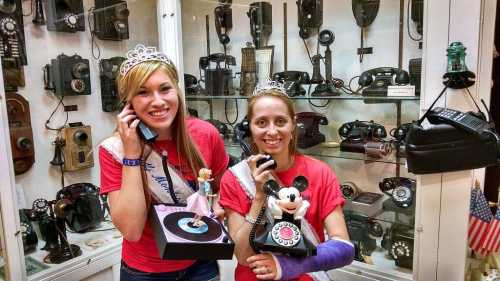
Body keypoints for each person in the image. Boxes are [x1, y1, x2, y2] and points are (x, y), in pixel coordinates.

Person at [99, 44, 228, 281]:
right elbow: (132, 229)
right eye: (143, 92)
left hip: (200, 262)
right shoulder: (113, 150)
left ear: (177, 90)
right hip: (145, 271)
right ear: (128, 104)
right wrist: (132, 154)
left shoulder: (206, 134)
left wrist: (219, 205)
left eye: (165, 89)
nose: (157, 101)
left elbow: (222, 190)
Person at [219, 80, 355, 281]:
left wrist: (286, 265)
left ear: (293, 125)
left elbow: (344, 248)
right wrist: (259, 197)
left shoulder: (320, 173)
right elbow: (243, 256)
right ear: (251, 128)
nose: (272, 131)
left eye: (281, 121)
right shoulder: (234, 178)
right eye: (262, 122)